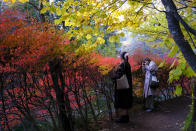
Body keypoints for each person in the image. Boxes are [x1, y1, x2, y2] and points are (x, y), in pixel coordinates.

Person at [112, 51, 133, 123]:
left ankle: (123, 118)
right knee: (126, 101)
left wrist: (114, 74)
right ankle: (126, 117)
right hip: (127, 86)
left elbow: (119, 75)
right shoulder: (127, 64)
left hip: (122, 87)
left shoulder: (122, 65)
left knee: (123, 101)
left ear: (121, 57)